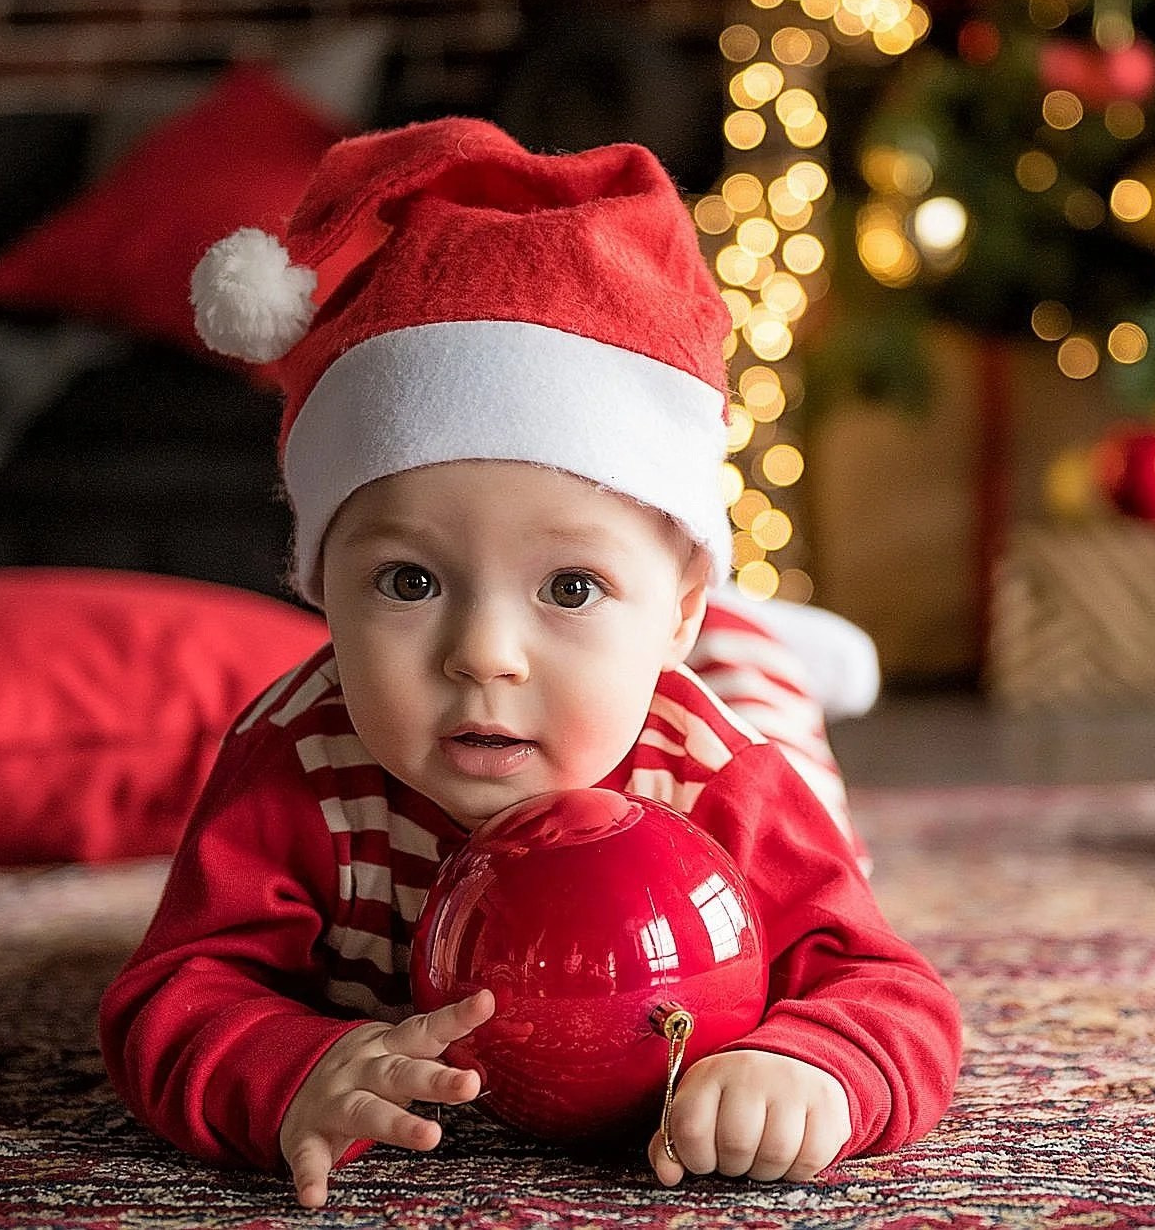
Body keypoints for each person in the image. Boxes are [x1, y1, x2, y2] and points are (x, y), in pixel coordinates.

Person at [97, 118, 962, 1208]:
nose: (484, 655)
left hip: (706, 704)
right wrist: (293, 1064)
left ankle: (751, 636)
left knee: (772, 723)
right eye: (410, 582)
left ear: (670, 609)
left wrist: (810, 1068)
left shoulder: (717, 780)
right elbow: (175, 991)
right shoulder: (295, 762)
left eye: (569, 587)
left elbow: (888, 989)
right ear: (322, 587)